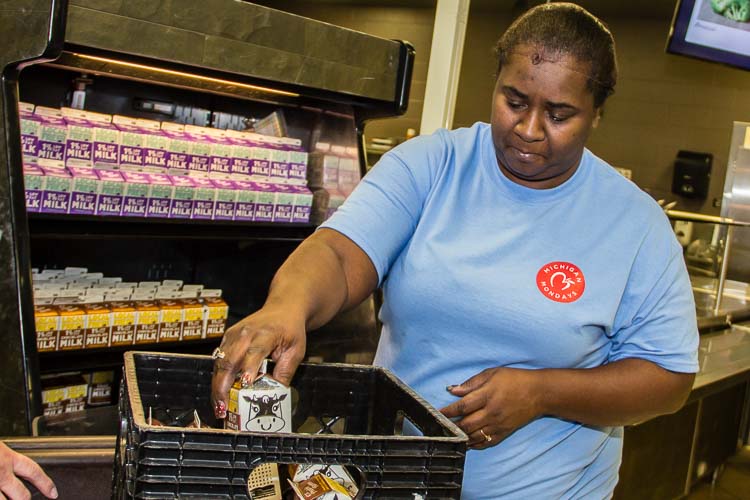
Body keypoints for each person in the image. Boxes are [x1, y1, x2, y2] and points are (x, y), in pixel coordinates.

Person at [212, 3, 699, 497]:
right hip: (400, 479)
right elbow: (339, 254)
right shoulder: (432, 165)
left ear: (597, 113)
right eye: (514, 100)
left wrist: (543, 393)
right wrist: (285, 308)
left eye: (558, 115)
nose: (529, 129)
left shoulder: (634, 224)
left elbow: (668, 379)